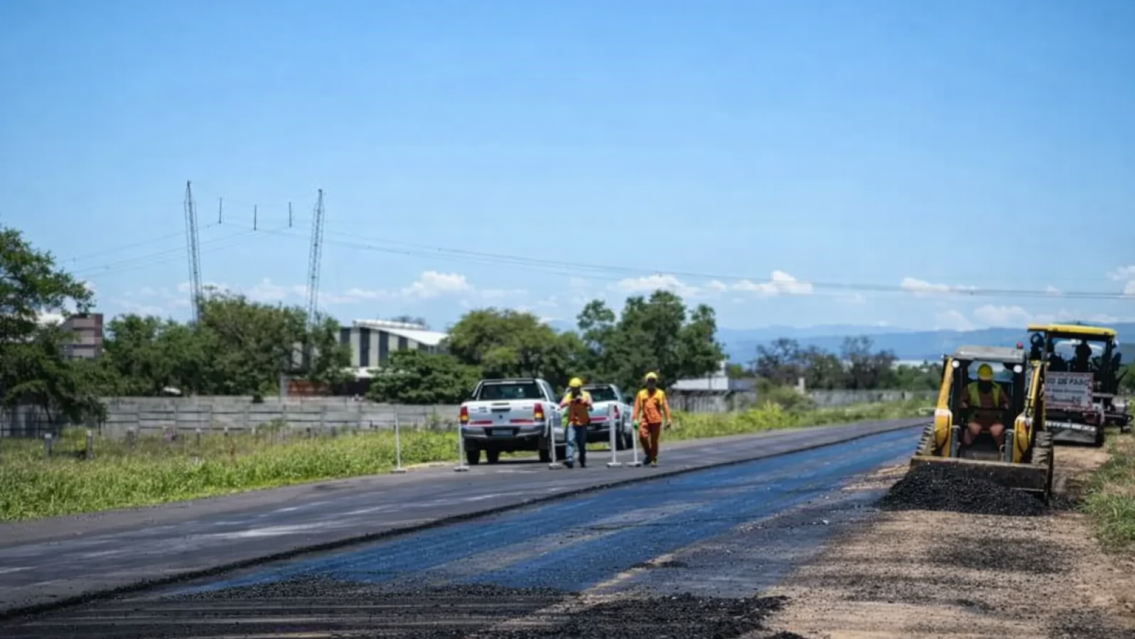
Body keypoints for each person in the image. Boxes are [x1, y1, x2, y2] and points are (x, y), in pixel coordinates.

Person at [958, 363, 1010, 451]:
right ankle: (965, 448)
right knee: (973, 429)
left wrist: (1005, 405)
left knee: (998, 430)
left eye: (987, 381)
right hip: (976, 419)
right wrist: (964, 405)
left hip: (994, 419)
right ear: (978, 378)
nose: (985, 384)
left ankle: (1002, 450)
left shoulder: (998, 388)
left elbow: (1007, 403)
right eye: (983, 381)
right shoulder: (970, 388)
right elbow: (961, 401)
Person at [633, 372, 672, 467]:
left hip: (656, 420)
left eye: (653, 381)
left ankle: (653, 459)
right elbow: (637, 407)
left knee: (654, 441)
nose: (651, 383)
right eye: (649, 381)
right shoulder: (641, 394)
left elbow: (665, 407)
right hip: (645, 419)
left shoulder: (660, 393)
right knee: (642, 436)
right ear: (646, 382)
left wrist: (668, 419)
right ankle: (649, 453)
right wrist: (635, 419)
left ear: (655, 382)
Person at [558, 377, 592, 469]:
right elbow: (561, 404)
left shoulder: (586, 395)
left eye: (576, 388)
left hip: (583, 422)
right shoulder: (569, 395)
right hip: (572, 422)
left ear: (580, 387)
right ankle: (569, 459)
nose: (574, 390)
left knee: (581, 443)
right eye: (573, 388)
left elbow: (591, 406)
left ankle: (582, 459)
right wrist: (570, 401)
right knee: (570, 441)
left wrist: (583, 402)